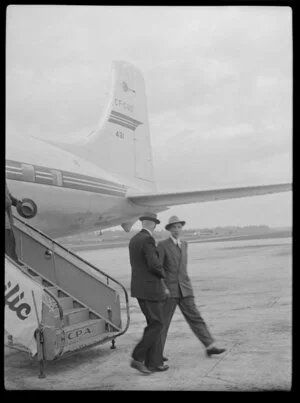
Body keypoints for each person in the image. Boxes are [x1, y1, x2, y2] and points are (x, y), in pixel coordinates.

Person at [157, 215, 226, 359]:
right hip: (170, 291)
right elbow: (158, 269)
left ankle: (209, 346)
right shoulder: (163, 245)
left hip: (185, 288)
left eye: (179, 227)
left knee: (196, 317)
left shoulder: (184, 244)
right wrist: (163, 287)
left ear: (181, 228)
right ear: (169, 229)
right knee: (163, 323)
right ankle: (156, 353)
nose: (176, 230)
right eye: (173, 227)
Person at [129, 212, 170, 374]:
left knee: (153, 323)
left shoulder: (134, 240)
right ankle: (138, 358)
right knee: (157, 323)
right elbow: (154, 265)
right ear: (153, 224)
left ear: (142, 223)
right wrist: (164, 275)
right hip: (150, 289)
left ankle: (152, 363)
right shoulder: (148, 239)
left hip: (139, 289)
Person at [5, 182, 22, 264]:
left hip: (7, 223)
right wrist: (9, 201)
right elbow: (7, 201)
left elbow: (9, 196)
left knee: (11, 246)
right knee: (10, 254)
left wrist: (17, 203)